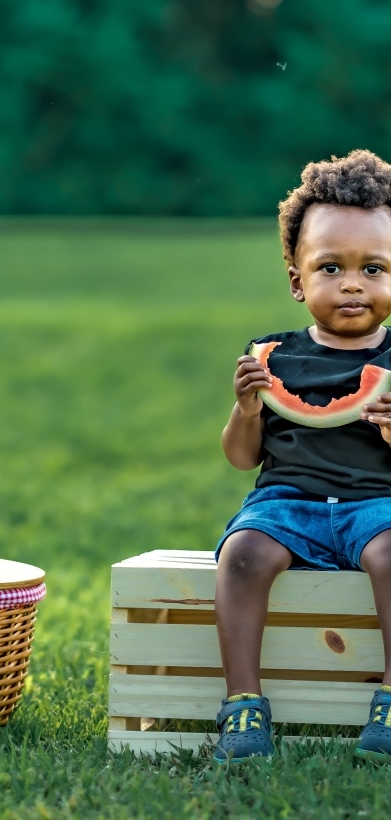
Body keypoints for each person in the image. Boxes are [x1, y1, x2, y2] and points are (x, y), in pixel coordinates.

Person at [214, 149, 391, 765]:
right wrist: (246, 410)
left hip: (379, 504)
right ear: (297, 281)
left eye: (373, 268)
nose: (352, 283)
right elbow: (242, 459)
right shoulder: (272, 357)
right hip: (287, 503)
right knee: (241, 555)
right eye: (330, 268)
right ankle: (242, 704)